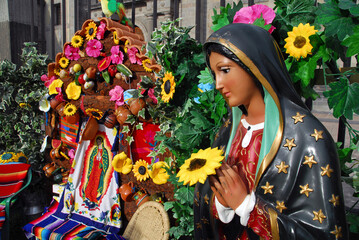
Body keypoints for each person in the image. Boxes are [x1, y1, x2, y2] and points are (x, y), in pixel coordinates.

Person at [194, 23, 348, 240]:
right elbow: (207, 197)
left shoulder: (307, 138)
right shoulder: (229, 130)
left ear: (254, 66)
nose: (218, 84)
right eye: (215, 73)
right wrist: (220, 202)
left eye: (225, 70)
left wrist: (249, 207)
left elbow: (322, 232)